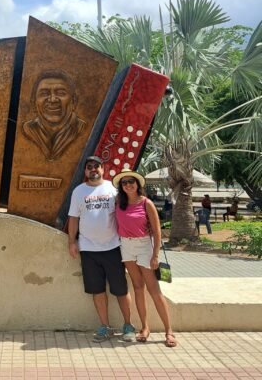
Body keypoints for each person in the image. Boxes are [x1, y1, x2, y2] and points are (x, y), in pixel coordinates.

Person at [67, 156, 135, 342]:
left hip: (113, 247)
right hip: (88, 250)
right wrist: (72, 242)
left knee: (120, 290)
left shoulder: (113, 190)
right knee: (97, 291)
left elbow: (127, 212)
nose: (93, 170)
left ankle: (128, 325)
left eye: (96, 166)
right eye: (89, 167)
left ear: (103, 169)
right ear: (85, 171)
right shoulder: (78, 192)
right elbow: (73, 218)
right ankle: (105, 327)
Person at [113, 170, 177, 348]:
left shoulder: (146, 203)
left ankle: (169, 331)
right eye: (124, 182)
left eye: (131, 181)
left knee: (154, 289)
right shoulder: (119, 203)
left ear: (138, 184)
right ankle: (145, 328)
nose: (128, 185)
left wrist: (155, 255)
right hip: (126, 246)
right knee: (138, 287)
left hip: (143, 246)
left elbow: (157, 232)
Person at [22, 71, 85, 161]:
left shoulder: (82, 129)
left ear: (74, 101)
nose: (52, 100)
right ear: (33, 102)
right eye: (44, 94)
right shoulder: (27, 130)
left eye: (60, 93)